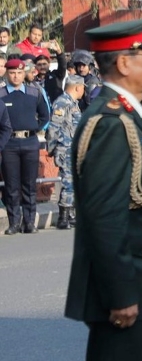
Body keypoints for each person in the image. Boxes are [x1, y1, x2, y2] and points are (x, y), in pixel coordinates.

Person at [64, 18, 142, 361]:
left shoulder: (131, 114)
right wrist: (122, 294)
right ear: (125, 64)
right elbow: (104, 217)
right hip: (127, 290)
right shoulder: (110, 121)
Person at [1, 58, 50, 234]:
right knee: (11, 186)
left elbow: (45, 115)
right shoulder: (1, 95)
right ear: (7, 73)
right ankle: (14, 222)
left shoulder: (33, 93)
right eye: (12, 73)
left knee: (29, 185)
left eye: (19, 73)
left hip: (30, 143)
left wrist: (34, 128)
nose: (16, 76)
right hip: (9, 145)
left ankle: (30, 222)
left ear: (24, 73)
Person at [48, 74, 85, 229]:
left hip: (74, 149)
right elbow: (53, 128)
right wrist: (51, 148)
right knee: (68, 182)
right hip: (65, 148)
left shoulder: (73, 103)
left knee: (74, 182)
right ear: (77, 87)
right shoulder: (62, 103)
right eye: (82, 88)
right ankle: (63, 217)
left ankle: (70, 214)